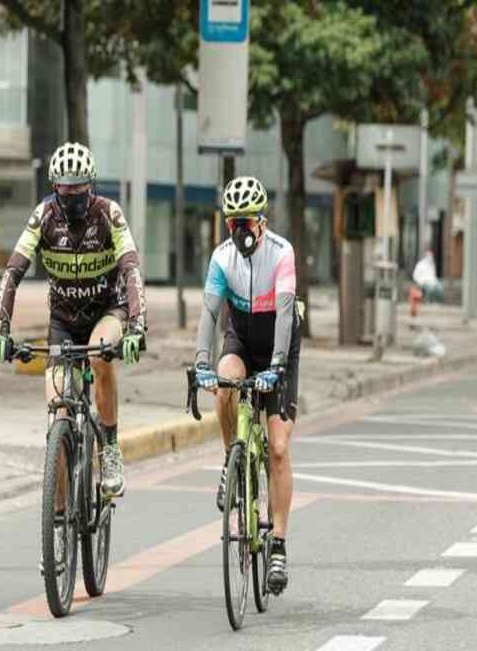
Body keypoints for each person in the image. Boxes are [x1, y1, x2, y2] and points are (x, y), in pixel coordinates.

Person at [0, 142, 147, 499]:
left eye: (79, 192)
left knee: (99, 352)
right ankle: (58, 523)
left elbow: (132, 269)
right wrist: (0, 327)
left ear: (91, 187)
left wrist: (137, 325)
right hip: (63, 320)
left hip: (108, 310)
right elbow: (13, 272)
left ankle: (109, 449)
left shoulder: (109, 213)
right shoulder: (43, 215)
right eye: (64, 192)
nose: (72, 200)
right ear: (54, 189)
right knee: (57, 417)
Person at [193, 176, 299, 596]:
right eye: (233, 222)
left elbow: (287, 314)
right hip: (241, 337)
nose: (241, 231)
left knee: (277, 448)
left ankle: (278, 545)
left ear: (263, 220)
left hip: (279, 343)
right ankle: (231, 460)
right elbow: (208, 312)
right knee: (225, 383)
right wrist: (202, 361)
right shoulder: (221, 258)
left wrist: (276, 365)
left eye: (248, 222)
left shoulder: (282, 253)